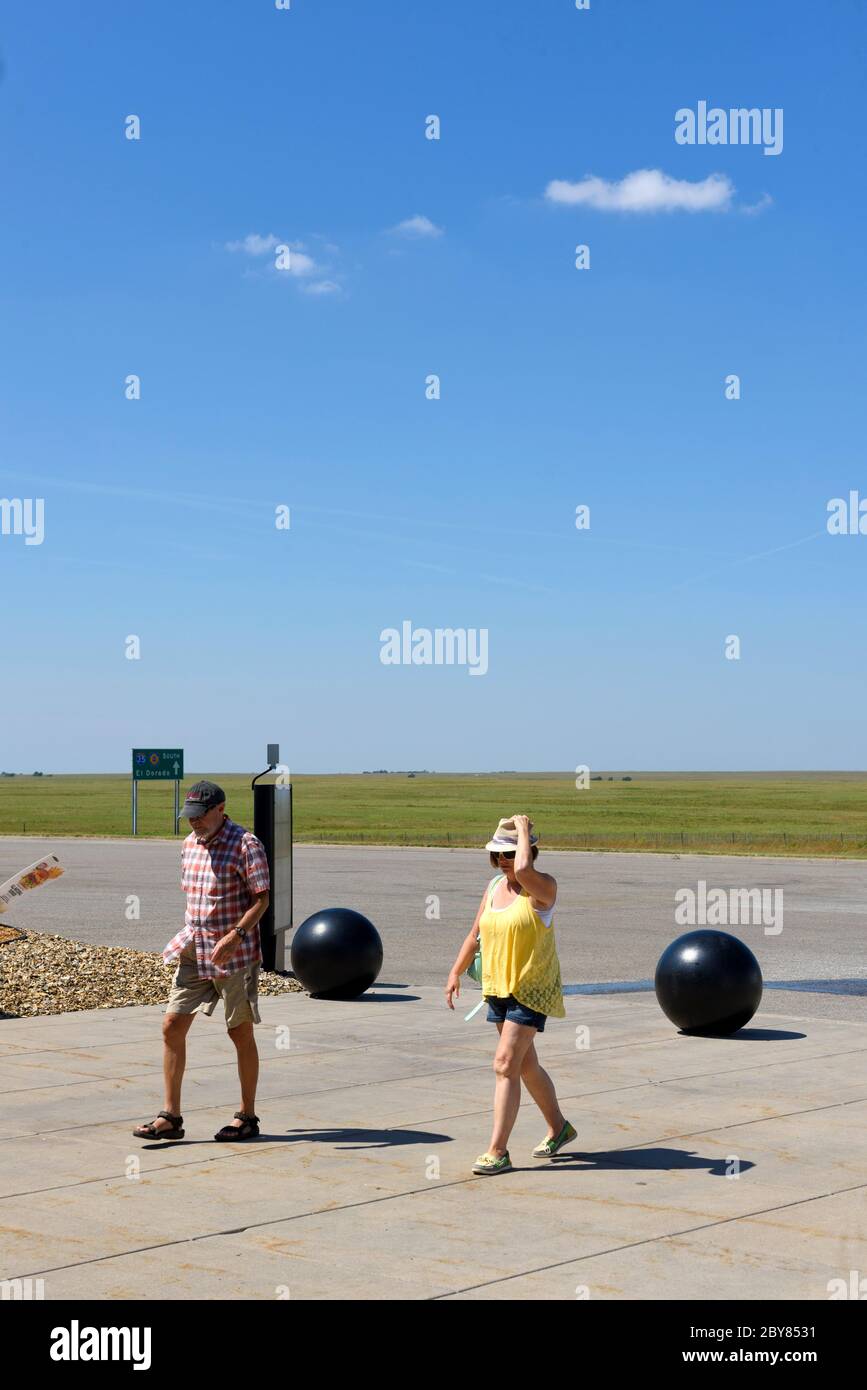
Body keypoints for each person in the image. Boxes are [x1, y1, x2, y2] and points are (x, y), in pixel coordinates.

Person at [133, 780, 270, 1143]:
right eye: (189, 816)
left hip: (233, 953)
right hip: (194, 950)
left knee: (239, 1032)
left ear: (220, 809)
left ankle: (247, 1116)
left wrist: (235, 935)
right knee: (171, 1025)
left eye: (199, 815)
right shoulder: (188, 845)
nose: (193, 822)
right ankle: (170, 1118)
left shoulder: (246, 844)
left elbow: (262, 899)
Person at [446, 814, 575, 1175]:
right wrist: (455, 972)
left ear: (529, 852)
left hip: (531, 990)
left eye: (509, 854)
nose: (503, 862)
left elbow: (523, 871)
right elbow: (475, 934)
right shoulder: (493, 888)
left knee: (505, 1064)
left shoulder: (543, 888)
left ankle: (497, 1151)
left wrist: (522, 833)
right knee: (525, 1065)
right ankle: (559, 1128)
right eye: (496, 855)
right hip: (497, 987)